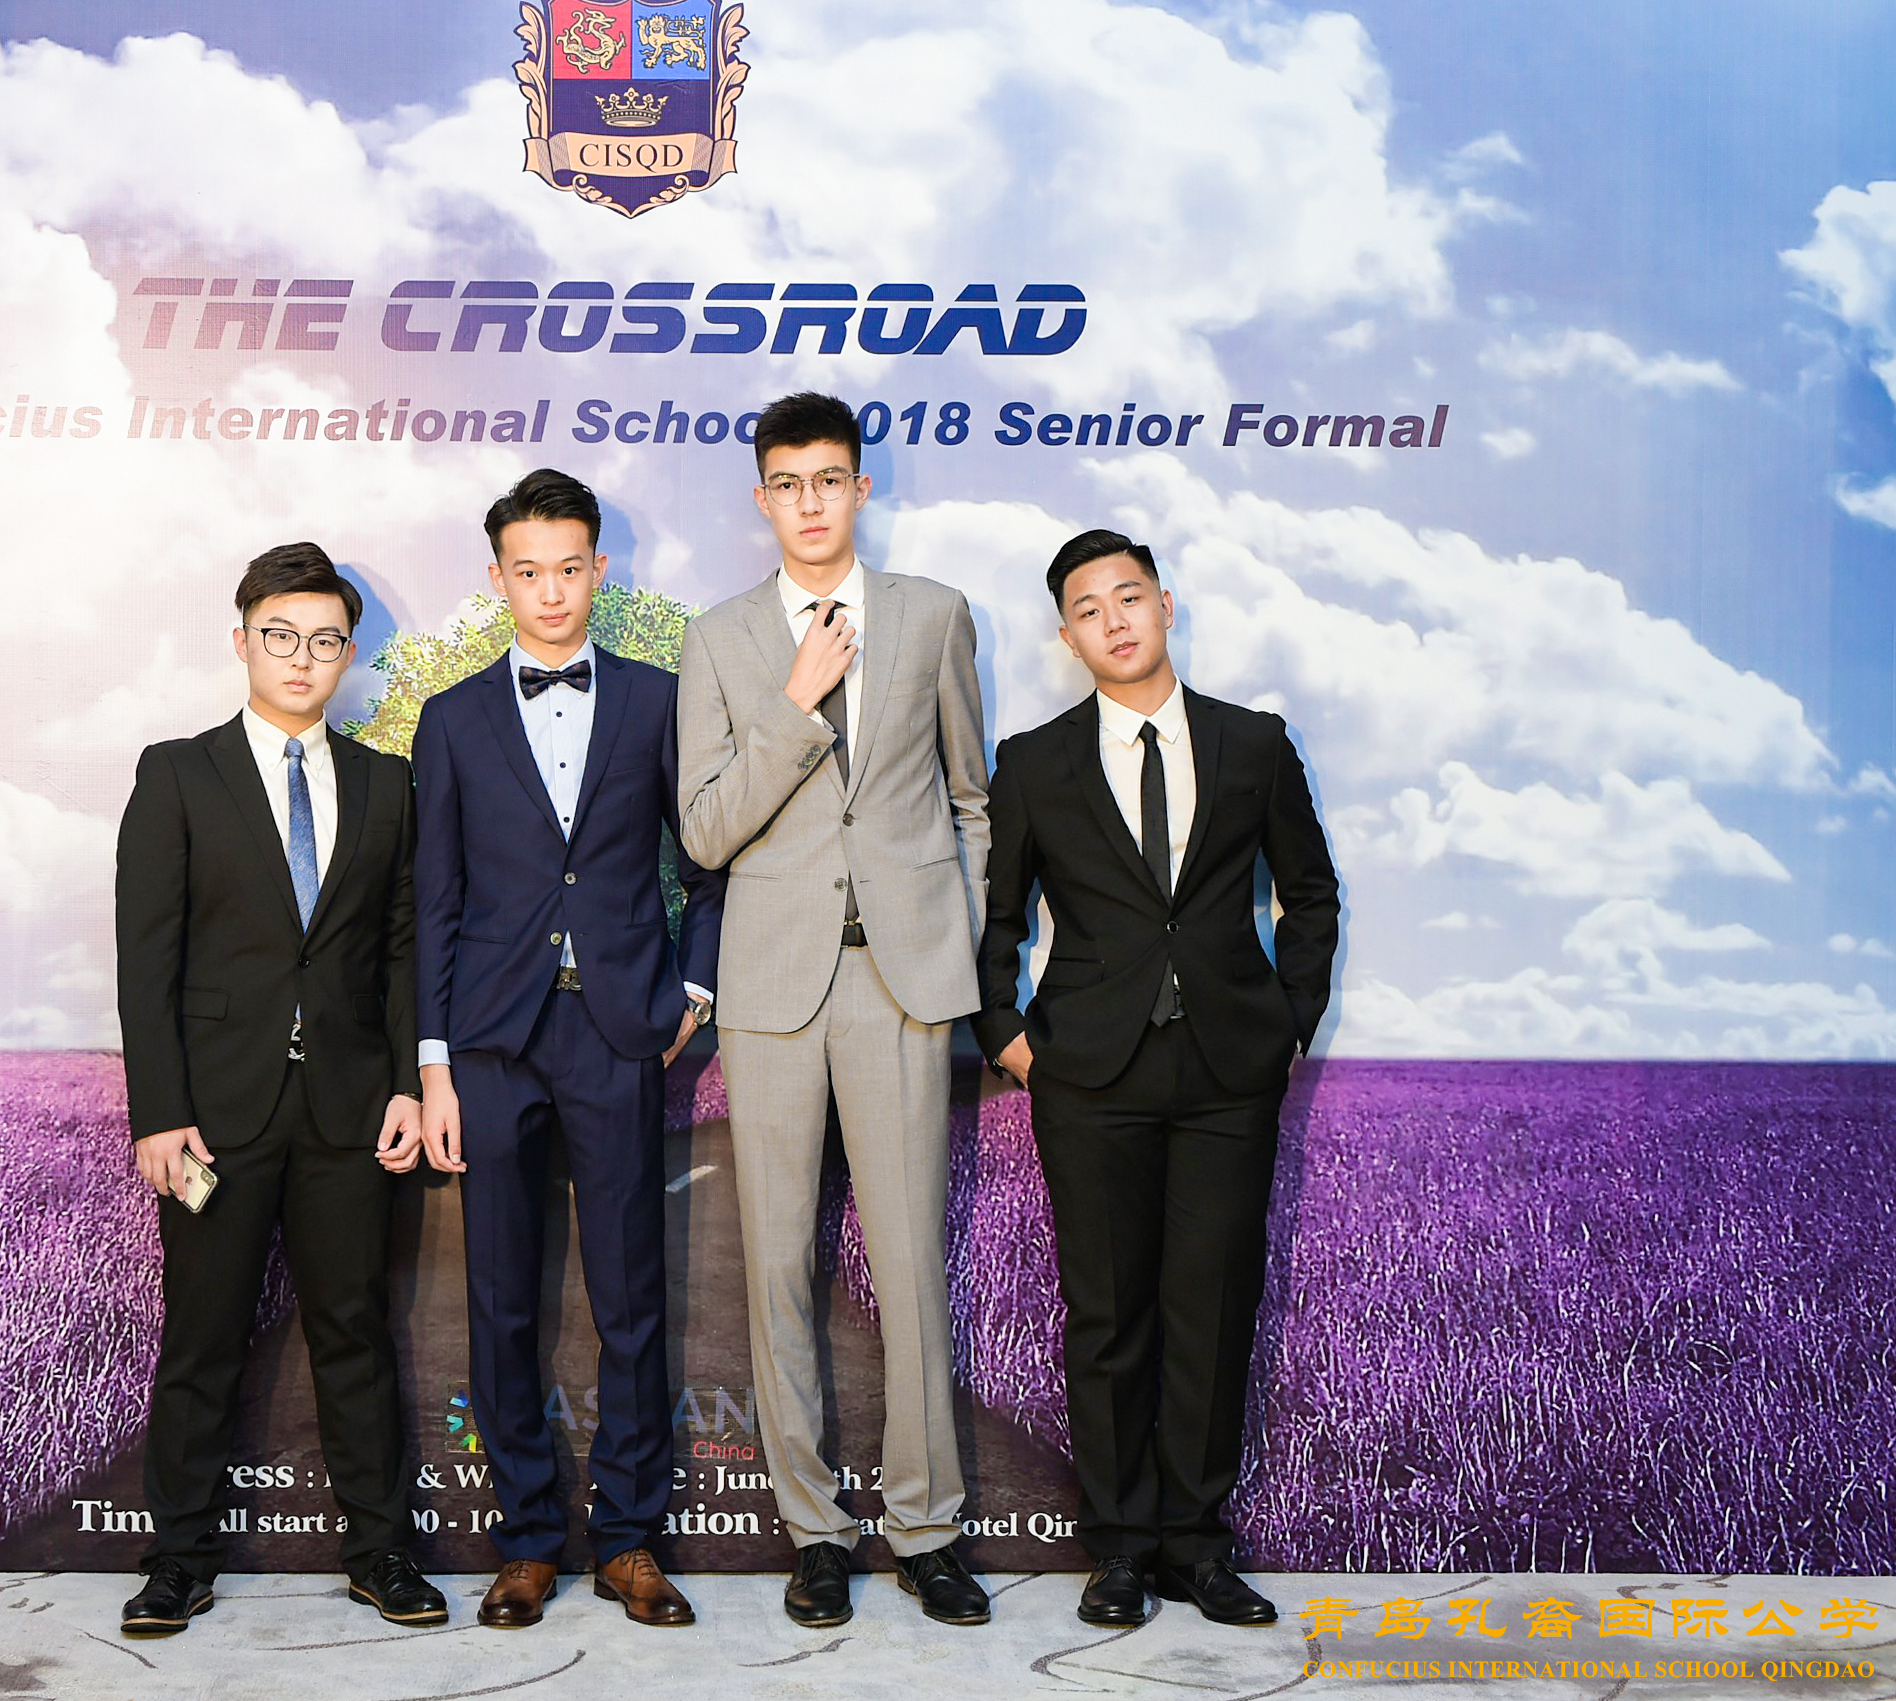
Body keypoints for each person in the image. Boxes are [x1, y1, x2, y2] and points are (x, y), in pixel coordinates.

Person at [974, 528, 1340, 1630]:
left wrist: (1289, 1022)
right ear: (1067, 636)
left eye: (1128, 597)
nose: (1114, 621)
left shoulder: (1252, 743)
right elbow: (996, 919)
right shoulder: (1035, 762)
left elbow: (1310, 894)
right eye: (1088, 609)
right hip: (1089, 1073)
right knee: (1107, 1313)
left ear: (1165, 605)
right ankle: (1122, 1548)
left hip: (1228, 1069)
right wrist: (1008, 1036)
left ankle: (1197, 1544)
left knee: (1213, 1308)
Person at [674, 391, 994, 1630]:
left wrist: (951, 940)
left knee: (909, 1264)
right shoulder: (719, 640)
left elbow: (969, 800)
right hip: (771, 987)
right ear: (760, 498)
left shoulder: (935, 615)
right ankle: (813, 1532)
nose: (808, 503)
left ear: (861, 487)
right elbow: (706, 830)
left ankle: (926, 1531)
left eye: (828, 479)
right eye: (786, 483)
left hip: (900, 984)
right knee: (777, 1266)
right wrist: (796, 703)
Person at [412, 468, 726, 1630]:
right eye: (527, 571)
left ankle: (630, 1541)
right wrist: (433, 1062)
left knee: (630, 1296)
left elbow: (708, 863)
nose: (550, 591)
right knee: (500, 1300)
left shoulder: (658, 700)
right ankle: (527, 1543)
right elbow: (433, 901)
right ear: (497, 578)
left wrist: (693, 983)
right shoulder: (451, 719)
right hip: (491, 1039)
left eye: (569, 568)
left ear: (600, 569)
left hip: (618, 1027)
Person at [112, 542, 445, 1636]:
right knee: (201, 1337)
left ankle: (381, 1553)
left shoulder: (386, 784)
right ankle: (177, 1560)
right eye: (280, 636)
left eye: (325, 640)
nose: (302, 657)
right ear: (242, 639)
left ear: (348, 654)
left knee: (355, 1331)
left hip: (350, 1108)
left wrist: (408, 1084)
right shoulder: (177, 773)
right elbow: (146, 958)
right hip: (214, 1116)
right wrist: (160, 1112)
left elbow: (401, 950)